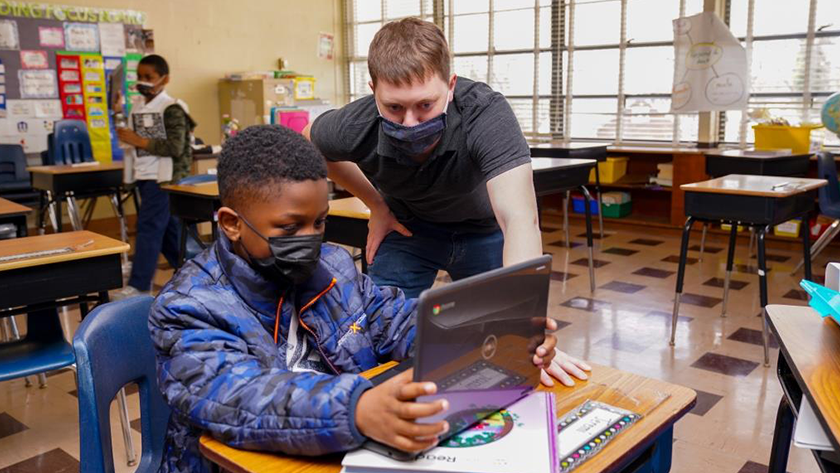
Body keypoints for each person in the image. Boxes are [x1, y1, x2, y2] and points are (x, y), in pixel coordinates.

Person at [149, 125, 566, 473]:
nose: (311, 240)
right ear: (231, 224)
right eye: (290, 227)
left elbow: (397, 321)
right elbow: (242, 397)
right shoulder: (188, 307)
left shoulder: (332, 266)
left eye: (320, 222)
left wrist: (494, 337)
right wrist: (358, 410)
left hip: (340, 451)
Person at [305, 17, 590, 384]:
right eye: (393, 108)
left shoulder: (485, 114)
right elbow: (310, 139)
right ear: (373, 89)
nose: (410, 123)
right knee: (375, 345)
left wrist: (525, 328)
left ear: (450, 86)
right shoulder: (357, 122)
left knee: (505, 345)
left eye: (425, 105)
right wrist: (376, 205)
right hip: (409, 231)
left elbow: (519, 219)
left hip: (483, 232)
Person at [113, 54, 196, 299]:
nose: (143, 81)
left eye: (149, 77)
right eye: (139, 77)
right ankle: (193, 271)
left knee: (149, 227)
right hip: (143, 174)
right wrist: (117, 112)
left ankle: (138, 286)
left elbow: (175, 147)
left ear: (164, 79)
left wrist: (138, 140)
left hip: (163, 179)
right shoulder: (138, 106)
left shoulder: (172, 108)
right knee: (169, 231)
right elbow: (125, 136)